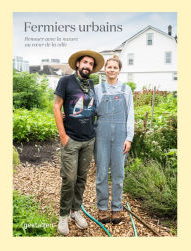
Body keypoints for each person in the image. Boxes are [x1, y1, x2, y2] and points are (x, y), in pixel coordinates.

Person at [53, 50, 104, 235]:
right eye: (85, 62)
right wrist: (63, 136)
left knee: (82, 179)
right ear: (77, 64)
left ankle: (76, 211)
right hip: (71, 139)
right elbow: (56, 106)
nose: (87, 66)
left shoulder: (91, 83)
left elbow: (93, 108)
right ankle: (63, 216)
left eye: (91, 64)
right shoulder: (65, 81)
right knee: (69, 179)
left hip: (88, 139)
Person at [94, 55, 134, 224]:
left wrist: (129, 138)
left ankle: (116, 208)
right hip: (101, 134)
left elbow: (130, 115)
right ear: (105, 69)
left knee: (118, 174)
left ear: (119, 70)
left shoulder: (126, 89)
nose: (111, 70)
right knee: (102, 173)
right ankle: (102, 208)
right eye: (109, 67)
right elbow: (90, 111)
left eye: (115, 67)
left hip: (120, 134)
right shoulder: (97, 89)